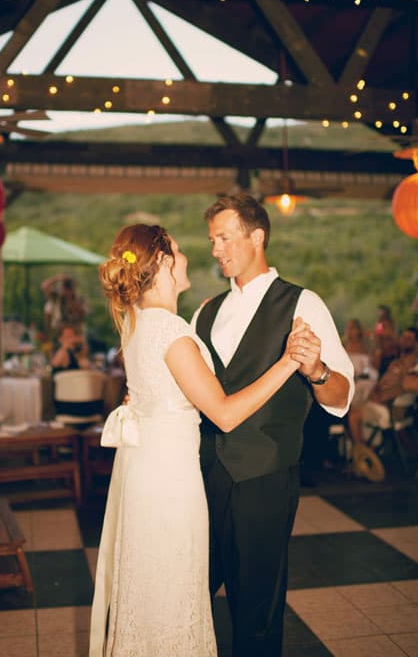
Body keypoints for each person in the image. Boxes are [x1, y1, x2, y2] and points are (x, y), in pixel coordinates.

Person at [89, 223, 314, 657]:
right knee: (171, 589)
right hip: (170, 483)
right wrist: (289, 362)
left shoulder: (135, 324)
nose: (190, 256)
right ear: (165, 262)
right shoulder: (172, 333)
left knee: (151, 587)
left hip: (145, 475)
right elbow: (225, 414)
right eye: (179, 249)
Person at [193, 192, 354, 657]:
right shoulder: (205, 311)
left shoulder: (303, 303)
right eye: (211, 240)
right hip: (202, 475)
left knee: (256, 606)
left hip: (263, 476)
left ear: (257, 236)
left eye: (224, 237)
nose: (215, 249)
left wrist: (317, 371)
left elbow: (342, 397)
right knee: (189, 591)